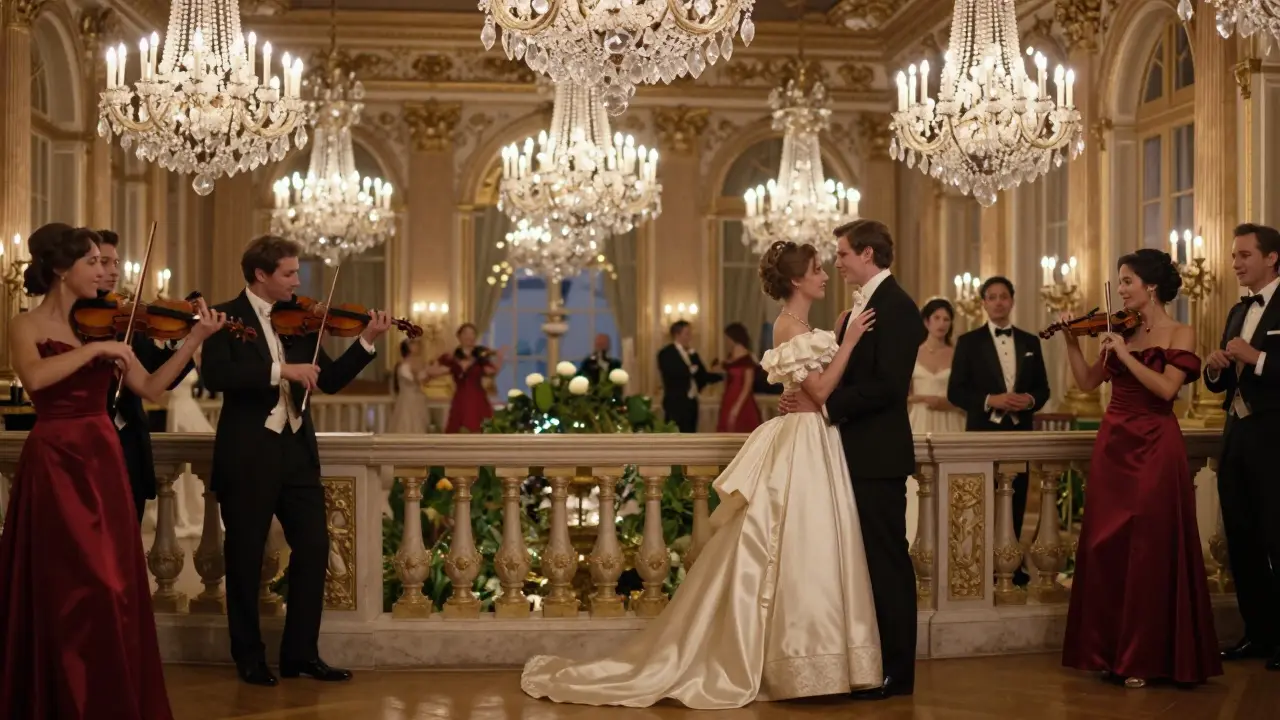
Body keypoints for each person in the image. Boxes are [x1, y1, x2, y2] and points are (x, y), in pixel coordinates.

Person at [521, 241, 881, 708]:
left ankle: (817, 659)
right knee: (791, 544)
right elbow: (821, 389)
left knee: (811, 545)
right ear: (797, 280)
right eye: (816, 269)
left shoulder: (805, 326)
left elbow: (814, 391)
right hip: (803, 441)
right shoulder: (788, 325)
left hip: (815, 439)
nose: (825, 275)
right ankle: (793, 661)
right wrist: (848, 343)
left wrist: (832, 345)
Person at [0, 224, 225, 718]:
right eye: (92, 262)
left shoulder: (103, 324)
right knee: (64, 589)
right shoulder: (26, 325)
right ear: (61, 269)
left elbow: (151, 389)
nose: (104, 270)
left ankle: (108, 701)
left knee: (113, 586)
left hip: (102, 458)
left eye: (105, 262)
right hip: (55, 459)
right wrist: (95, 351)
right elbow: (34, 378)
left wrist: (194, 340)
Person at [200, 235, 392, 687]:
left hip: (297, 452)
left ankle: (300, 654)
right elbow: (216, 375)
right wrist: (280, 370)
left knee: (315, 548)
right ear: (261, 275)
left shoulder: (300, 322)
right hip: (247, 454)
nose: (298, 280)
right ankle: (248, 657)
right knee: (244, 557)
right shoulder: (226, 319)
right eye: (289, 273)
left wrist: (366, 340)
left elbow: (328, 381)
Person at [1059, 247, 1221, 687]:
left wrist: (1126, 356)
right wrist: (1072, 340)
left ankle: (1145, 657)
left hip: (1155, 443)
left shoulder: (1180, 333)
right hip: (1114, 445)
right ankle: (1109, 652)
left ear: (1150, 286)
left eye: (1126, 280)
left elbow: (1168, 390)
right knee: (1104, 546)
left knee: (1149, 548)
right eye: (1121, 281)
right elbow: (1088, 382)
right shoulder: (1119, 332)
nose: (1121, 289)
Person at [777, 220, 925, 699]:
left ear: (866, 254)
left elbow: (888, 387)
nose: (836, 263)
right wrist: (806, 395)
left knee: (887, 564)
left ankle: (897, 674)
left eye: (841, 254)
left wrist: (824, 405)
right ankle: (869, 661)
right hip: (849, 453)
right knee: (864, 565)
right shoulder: (860, 307)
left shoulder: (899, 308)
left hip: (877, 455)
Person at [1204, 223, 1280, 671]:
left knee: (1277, 539)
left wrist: (1258, 359)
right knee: (1243, 541)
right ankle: (1259, 634)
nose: (1235, 263)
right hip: (1237, 440)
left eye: (1244, 255)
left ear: (1271, 258)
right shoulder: (1236, 311)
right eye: (1234, 256)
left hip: (1275, 441)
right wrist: (1216, 369)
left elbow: (1261, 366)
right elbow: (1222, 383)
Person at [947, 277, 1050, 583]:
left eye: (1003, 296)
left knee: (1018, 498)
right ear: (984, 303)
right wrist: (992, 399)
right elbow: (956, 392)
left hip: (1021, 434)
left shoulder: (1031, 341)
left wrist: (1028, 400)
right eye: (992, 297)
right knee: (981, 497)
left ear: (1012, 300)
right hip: (982, 432)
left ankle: (1012, 563)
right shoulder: (968, 342)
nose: (998, 302)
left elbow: (1043, 388)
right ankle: (978, 562)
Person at [94, 229, 196, 522]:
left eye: (116, 263)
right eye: (102, 262)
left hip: (130, 446)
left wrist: (183, 335)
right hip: (90, 442)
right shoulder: (70, 320)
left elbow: (157, 377)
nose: (113, 271)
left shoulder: (128, 316)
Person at [904, 298, 963, 543]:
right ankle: (916, 538)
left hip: (950, 420)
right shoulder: (911, 352)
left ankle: (950, 541)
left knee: (950, 480)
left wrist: (945, 402)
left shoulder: (956, 354)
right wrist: (923, 398)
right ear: (926, 321)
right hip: (919, 418)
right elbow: (900, 394)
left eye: (946, 319)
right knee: (917, 480)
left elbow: (964, 393)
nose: (941, 324)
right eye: (936, 318)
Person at [426, 323, 501, 433]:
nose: (469, 336)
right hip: (460, 398)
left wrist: (499, 358)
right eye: (466, 333)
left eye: (472, 333)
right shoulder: (452, 357)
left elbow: (492, 372)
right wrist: (444, 363)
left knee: (481, 430)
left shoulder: (480, 356)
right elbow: (431, 371)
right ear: (459, 336)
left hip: (478, 398)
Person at [657, 321, 722, 432]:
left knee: (690, 434)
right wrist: (690, 370)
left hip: (691, 403)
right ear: (677, 335)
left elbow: (702, 375)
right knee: (675, 436)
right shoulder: (666, 353)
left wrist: (722, 376)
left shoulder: (693, 354)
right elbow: (671, 373)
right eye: (687, 333)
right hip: (675, 403)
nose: (690, 337)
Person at [716, 322, 763, 432]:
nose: (726, 341)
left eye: (727, 338)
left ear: (733, 337)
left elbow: (747, 386)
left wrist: (737, 407)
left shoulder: (747, 358)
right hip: (728, 397)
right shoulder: (730, 356)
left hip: (742, 400)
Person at [388, 338, 430, 434]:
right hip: (407, 401)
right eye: (413, 344)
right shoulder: (403, 365)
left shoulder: (420, 364)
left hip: (418, 399)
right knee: (406, 425)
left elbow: (424, 379)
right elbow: (413, 379)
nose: (417, 346)